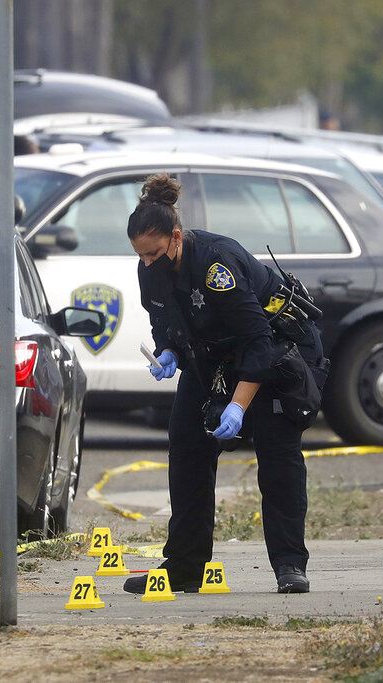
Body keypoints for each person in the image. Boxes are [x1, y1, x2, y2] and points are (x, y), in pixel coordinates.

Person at [124, 173, 327, 595]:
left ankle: (290, 565)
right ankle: (184, 567)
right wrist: (169, 353)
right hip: (214, 359)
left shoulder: (217, 265)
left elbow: (258, 343)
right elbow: (164, 322)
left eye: (155, 253)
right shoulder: (150, 270)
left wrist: (237, 406)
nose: (148, 263)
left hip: (278, 352)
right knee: (187, 446)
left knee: (277, 452)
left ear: (176, 237)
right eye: (140, 256)